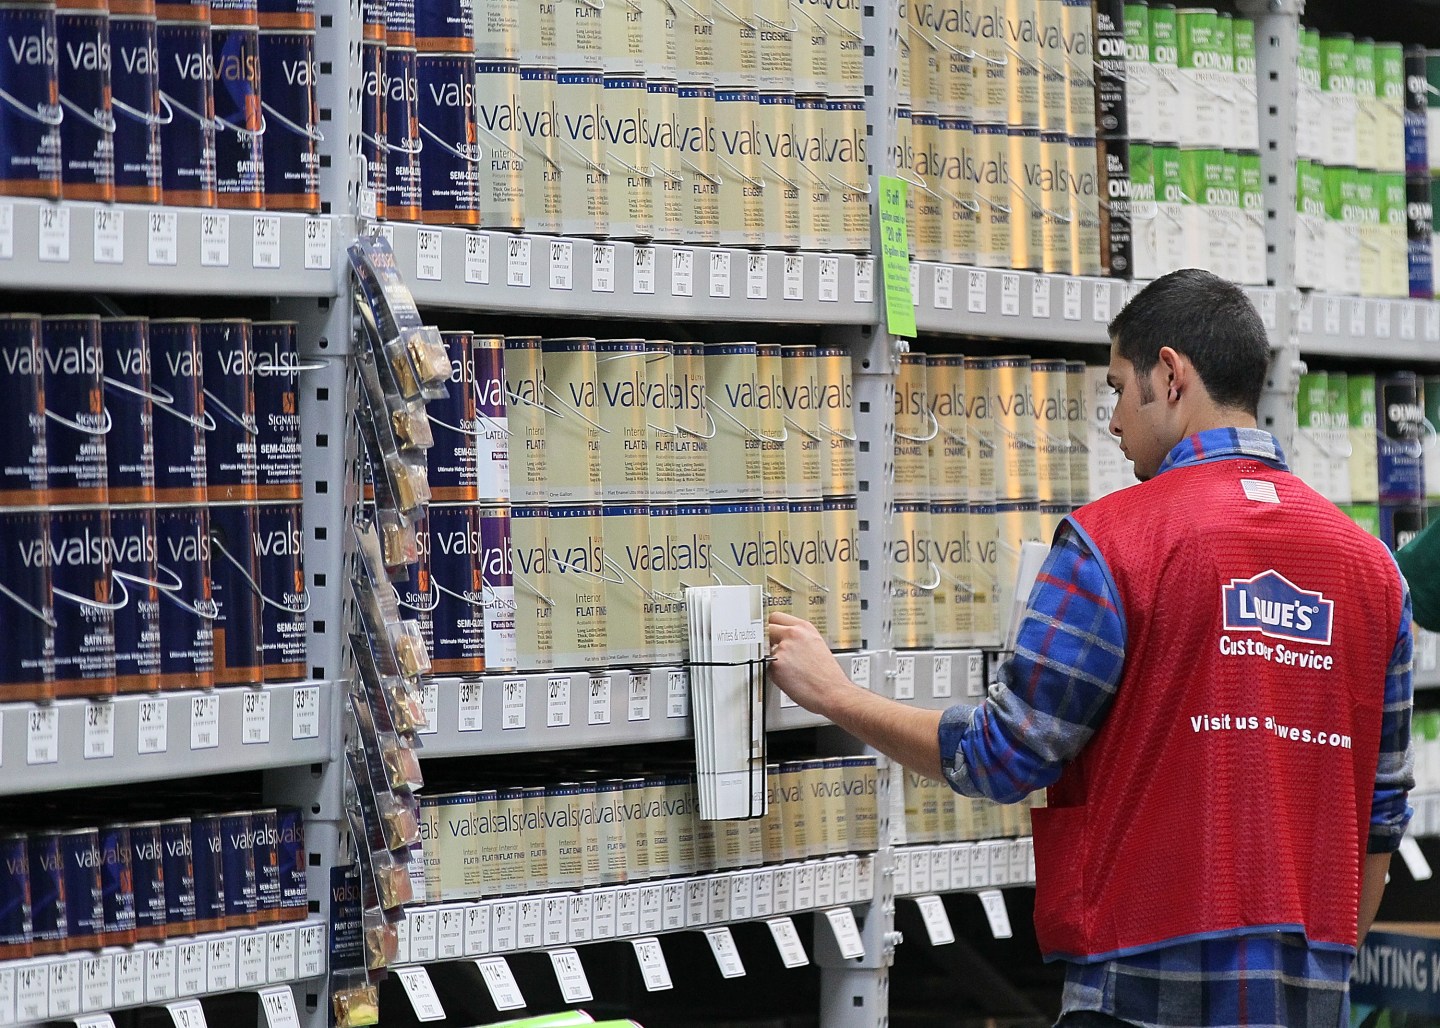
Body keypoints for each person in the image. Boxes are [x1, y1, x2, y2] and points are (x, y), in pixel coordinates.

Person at [767, 269, 1414, 1028]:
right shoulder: (1375, 571)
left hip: (1139, 988)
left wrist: (837, 696)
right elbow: (1381, 813)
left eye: (1116, 388)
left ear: (1169, 376)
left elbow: (1003, 756)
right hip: (1311, 991)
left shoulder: (1113, 542)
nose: (1112, 422)